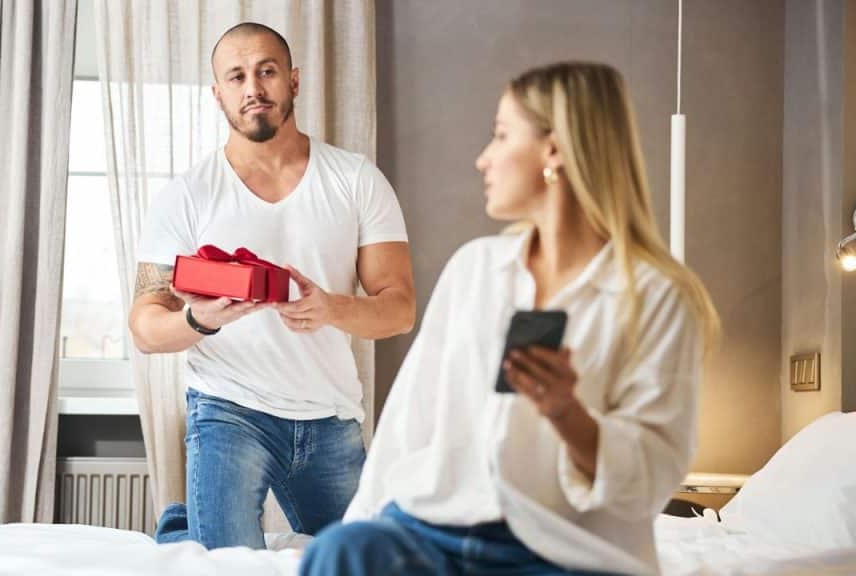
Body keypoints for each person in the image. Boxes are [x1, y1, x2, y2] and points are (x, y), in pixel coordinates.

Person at [301, 61, 720, 575]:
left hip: (562, 553)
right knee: (341, 552)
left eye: (501, 136)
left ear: (554, 149)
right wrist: (357, 527)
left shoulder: (658, 298)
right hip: (432, 536)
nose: (483, 159)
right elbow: (409, 427)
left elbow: (653, 478)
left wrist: (570, 416)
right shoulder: (475, 270)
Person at [128, 22, 415, 550]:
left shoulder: (355, 179)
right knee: (226, 565)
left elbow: (399, 310)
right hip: (228, 410)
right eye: (235, 77)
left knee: (362, 562)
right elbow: (146, 326)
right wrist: (199, 320)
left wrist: (330, 308)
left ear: (294, 81)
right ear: (218, 95)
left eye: (266, 71)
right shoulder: (186, 195)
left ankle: (179, 528)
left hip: (328, 414)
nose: (253, 88)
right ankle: (189, 529)